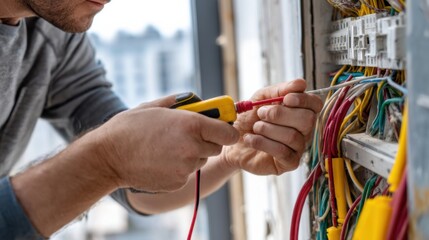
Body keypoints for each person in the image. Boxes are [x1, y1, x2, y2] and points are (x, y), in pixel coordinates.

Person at [0, 0, 323, 239]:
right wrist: (107, 160)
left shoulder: (54, 35)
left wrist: (228, 150)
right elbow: (113, 163)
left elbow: (133, 182)